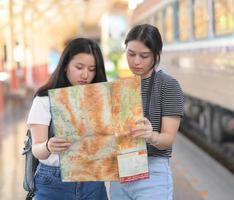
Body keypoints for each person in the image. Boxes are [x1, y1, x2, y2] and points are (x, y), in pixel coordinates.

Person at [27, 38, 108, 200]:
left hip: (93, 181)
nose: (85, 74)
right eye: (79, 67)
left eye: (92, 69)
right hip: (54, 183)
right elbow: (37, 150)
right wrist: (49, 146)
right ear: (65, 66)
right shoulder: (44, 100)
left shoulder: (102, 99)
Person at [110, 24, 184, 199]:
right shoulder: (119, 86)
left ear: (156, 55)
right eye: (131, 54)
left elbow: (168, 139)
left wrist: (151, 136)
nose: (136, 61)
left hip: (153, 172)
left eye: (144, 56)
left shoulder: (168, 85)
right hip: (120, 171)